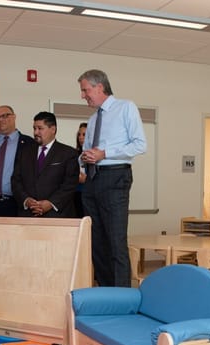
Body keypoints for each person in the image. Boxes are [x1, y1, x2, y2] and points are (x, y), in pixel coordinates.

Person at [78, 69, 147, 287]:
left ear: (100, 87)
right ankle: (107, 294)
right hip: (92, 179)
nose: (83, 95)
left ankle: (122, 298)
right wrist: (85, 157)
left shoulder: (126, 107)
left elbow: (140, 145)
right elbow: (88, 151)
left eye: (85, 90)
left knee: (116, 242)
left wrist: (104, 153)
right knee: (97, 243)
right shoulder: (92, 118)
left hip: (115, 177)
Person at [12, 111, 80, 218]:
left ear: (53, 129)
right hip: (28, 216)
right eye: (34, 128)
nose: (36, 132)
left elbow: (70, 184)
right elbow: (16, 180)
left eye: (40, 128)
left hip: (57, 216)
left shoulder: (68, 153)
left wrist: (50, 203)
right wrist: (26, 200)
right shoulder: (24, 152)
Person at [74, 122, 88, 217]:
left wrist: (86, 180)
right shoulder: (75, 154)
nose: (81, 137)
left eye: (84, 134)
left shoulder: (95, 155)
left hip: (88, 194)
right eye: (79, 134)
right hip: (75, 194)